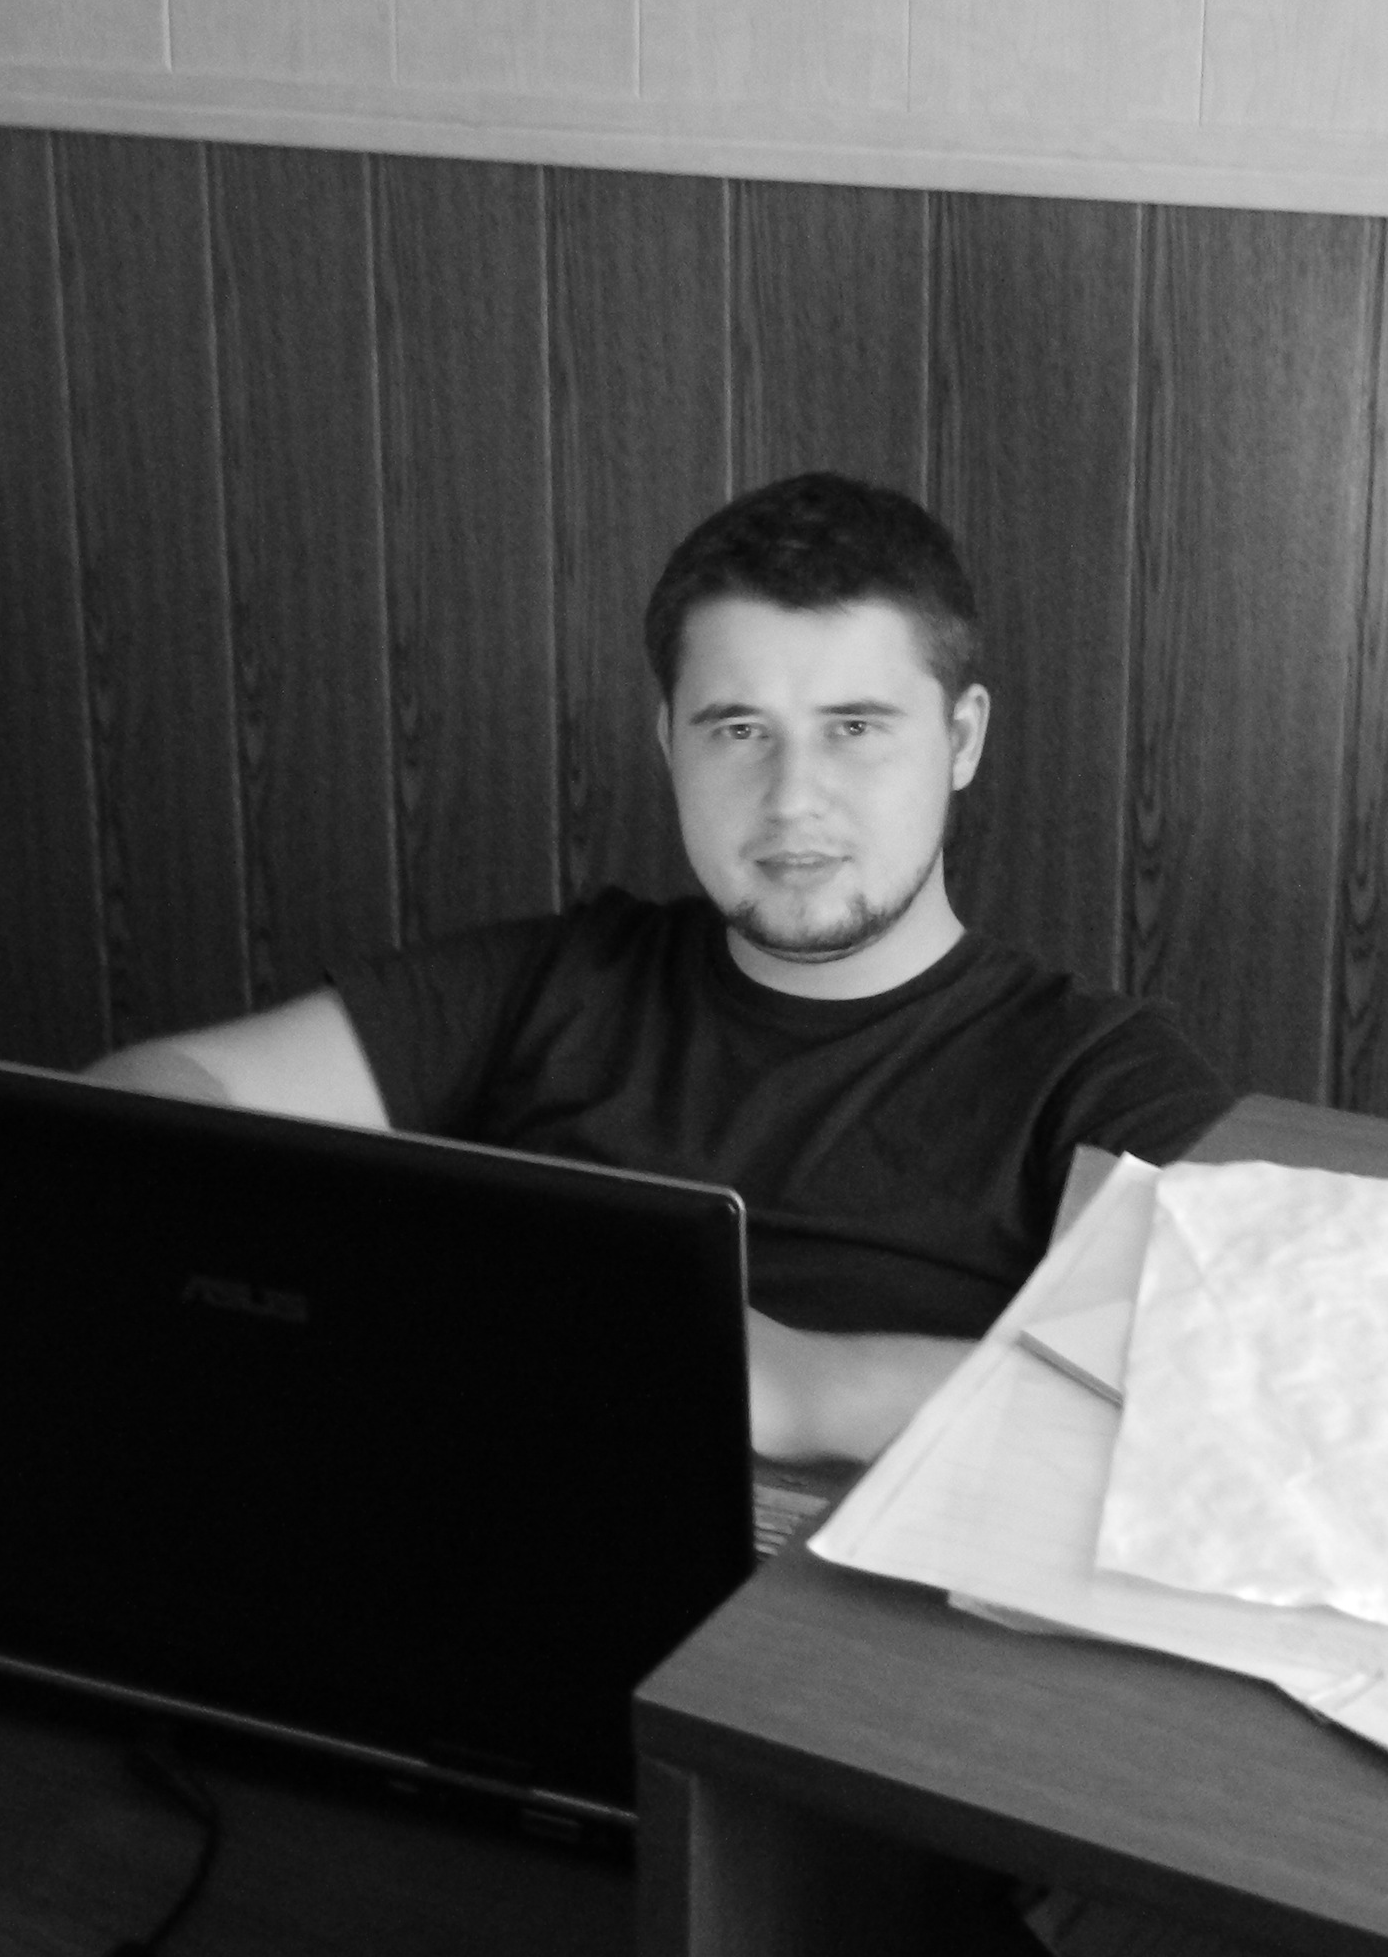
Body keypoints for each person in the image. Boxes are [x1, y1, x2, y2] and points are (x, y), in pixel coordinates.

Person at [90, 472, 1231, 1464]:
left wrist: (798, 1388)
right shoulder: (562, 979)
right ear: (668, 741)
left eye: (854, 727)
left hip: (826, 1618)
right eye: (738, 729)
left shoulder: (1092, 1072)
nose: (792, 797)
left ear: (962, 738)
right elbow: (133, 1109)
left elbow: (1213, 1393)